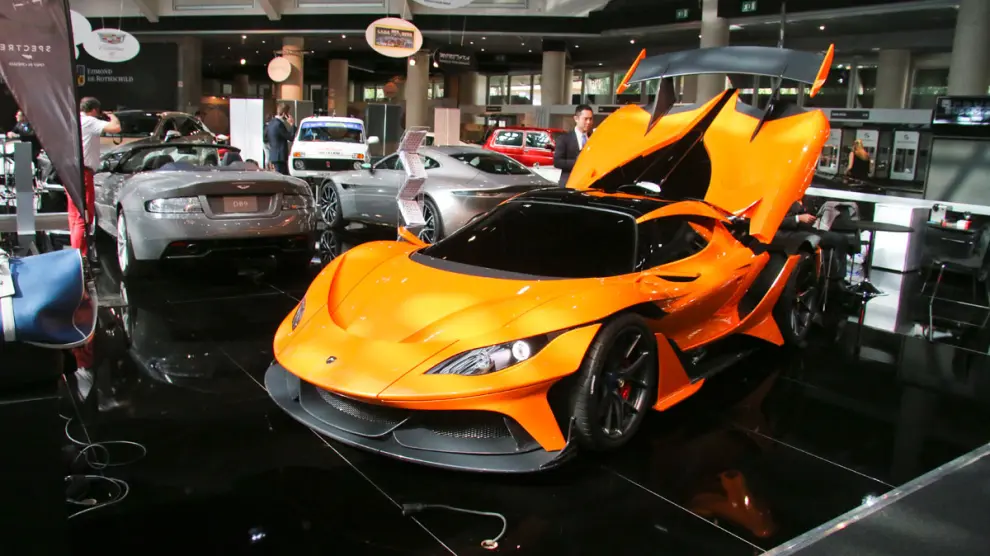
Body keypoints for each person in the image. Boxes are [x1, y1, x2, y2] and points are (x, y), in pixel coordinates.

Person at [76, 97, 120, 257]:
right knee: (84, 215)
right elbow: (116, 128)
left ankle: (77, 253)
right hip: (84, 173)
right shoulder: (89, 121)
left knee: (75, 216)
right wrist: (112, 116)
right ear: (94, 110)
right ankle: (82, 255)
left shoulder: (74, 120)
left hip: (72, 171)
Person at [553, 104, 594, 187]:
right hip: (569, 184)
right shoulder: (564, 138)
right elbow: (557, 162)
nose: (588, 122)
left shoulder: (594, 138)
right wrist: (578, 162)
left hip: (589, 185)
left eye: (590, 119)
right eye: (585, 119)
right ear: (576, 119)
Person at [265, 103, 294, 175]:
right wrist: (292, 125)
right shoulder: (279, 124)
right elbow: (291, 137)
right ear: (284, 114)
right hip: (280, 157)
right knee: (282, 176)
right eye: (288, 113)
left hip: (274, 155)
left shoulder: (271, 123)